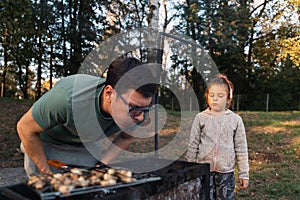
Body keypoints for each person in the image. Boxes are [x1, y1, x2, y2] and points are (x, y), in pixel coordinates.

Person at [17, 57, 158, 177]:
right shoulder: (67, 98)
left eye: (145, 108)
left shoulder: (138, 111)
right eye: (134, 108)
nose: (140, 118)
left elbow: (126, 137)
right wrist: (46, 174)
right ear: (109, 94)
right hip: (49, 143)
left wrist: (102, 165)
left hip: (86, 144)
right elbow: (25, 128)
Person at [186, 74, 249, 200]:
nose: (215, 99)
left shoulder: (236, 120)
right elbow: (193, 145)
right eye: (212, 95)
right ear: (207, 96)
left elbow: (241, 149)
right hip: (204, 171)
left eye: (220, 96)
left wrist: (244, 174)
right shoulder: (200, 118)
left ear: (228, 98)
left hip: (226, 173)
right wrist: (189, 171)